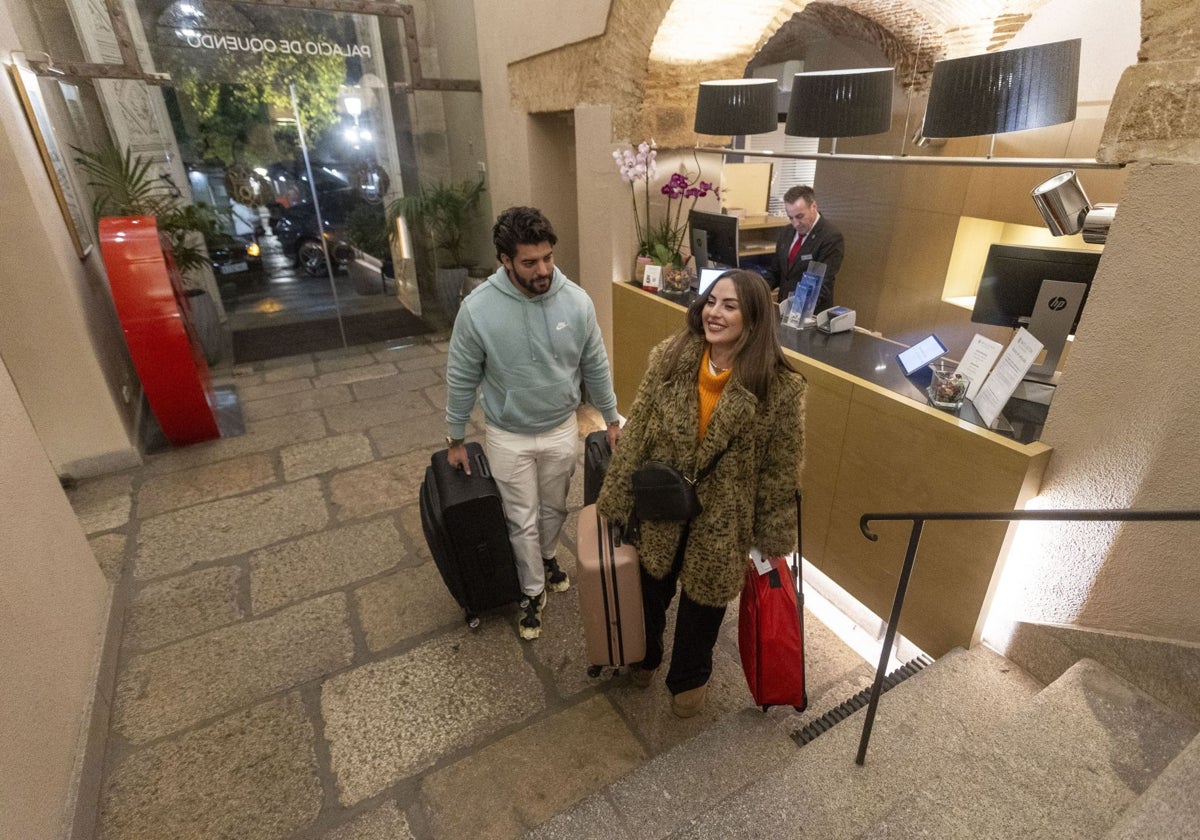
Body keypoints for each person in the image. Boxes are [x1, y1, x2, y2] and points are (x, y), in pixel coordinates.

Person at [596, 269, 805, 718]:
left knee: (704, 604)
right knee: (650, 586)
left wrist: (771, 533)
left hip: (724, 516)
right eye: (712, 302)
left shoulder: (779, 387)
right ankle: (645, 655)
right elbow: (638, 435)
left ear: (753, 319)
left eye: (730, 306)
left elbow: (780, 467)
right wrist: (615, 495)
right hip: (663, 501)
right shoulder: (669, 358)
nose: (715, 312)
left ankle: (689, 677)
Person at [445, 206, 623, 641]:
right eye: (529, 262)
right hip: (507, 433)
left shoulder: (576, 301)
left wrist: (613, 417)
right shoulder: (478, 309)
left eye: (548, 258)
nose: (543, 269)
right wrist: (455, 436)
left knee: (554, 508)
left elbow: (595, 364)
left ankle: (544, 556)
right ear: (505, 260)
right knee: (520, 517)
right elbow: (461, 374)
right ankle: (531, 590)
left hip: (562, 426)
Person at [763, 184, 844, 314]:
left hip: (810, 313)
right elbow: (775, 271)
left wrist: (795, 309)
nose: (795, 223)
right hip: (784, 307)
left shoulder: (830, 237)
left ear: (813, 207)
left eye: (800, 217)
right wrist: (755, 291)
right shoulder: (786, 232)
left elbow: (821, 284)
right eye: (791, 218)